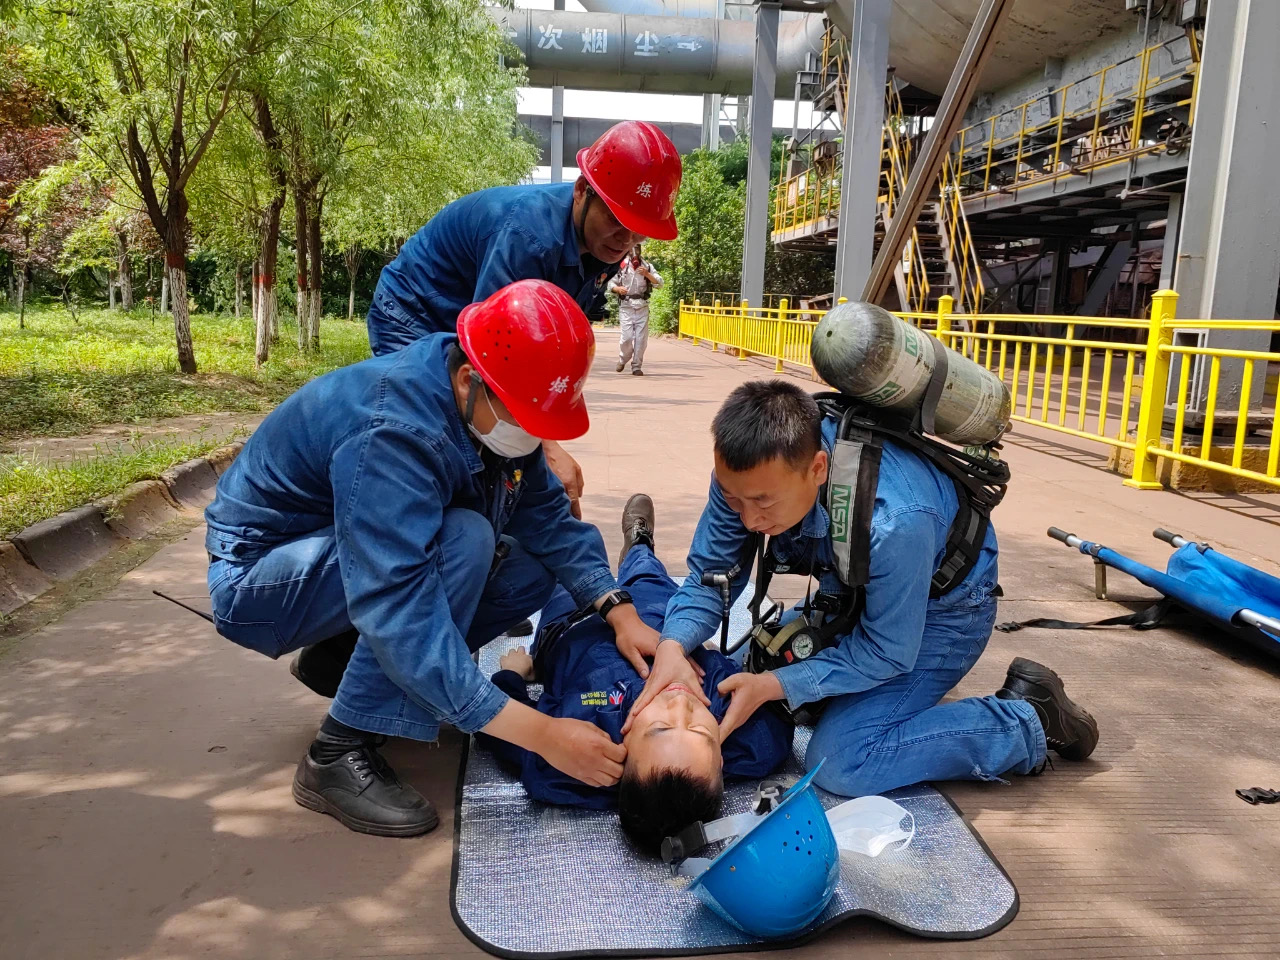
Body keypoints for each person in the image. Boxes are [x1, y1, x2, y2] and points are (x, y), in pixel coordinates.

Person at [204, 280, 662, 838]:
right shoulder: (392, 432)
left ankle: (343, 659)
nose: (531, 439)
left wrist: (618, 609)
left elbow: (546, 518)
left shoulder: (484, 396)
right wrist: (538, 732)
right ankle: (336, 751)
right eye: (525, 422)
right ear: (471, 381)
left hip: (339, 555)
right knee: (464, 541)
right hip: (259, 577)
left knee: (529, 568)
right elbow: (396, 601)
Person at [625, 379, 1100, 800]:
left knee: (842, 759)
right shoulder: (747, 474)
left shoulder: (895, 523)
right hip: (851, 593)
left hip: (944, 616)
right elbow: (711, 577)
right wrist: (672, 645)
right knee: (758, 670)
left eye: (762, 504)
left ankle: (1026, 721)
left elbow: (888, 650)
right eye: (734, 500)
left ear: (816, 468)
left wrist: (775, 685)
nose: (748, 519)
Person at [365, 121, 682, 517]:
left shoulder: (602, 249)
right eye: (617, 221)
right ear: (582, 191)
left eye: (638, 234)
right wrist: (549, 452)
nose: (624, 241)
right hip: (416, 310)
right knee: (437, 434)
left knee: (502, 450)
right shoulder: (528, 239)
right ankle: (416, 539)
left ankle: (497, 533)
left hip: (475, 316)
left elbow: (548, 355)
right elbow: (498, 362)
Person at [481, 494, 792, 855]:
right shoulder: (746, 736)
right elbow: (774, 730)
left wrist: (513, 677)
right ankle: (639, 544)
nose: (680, 706)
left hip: (572, 624)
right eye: (700, 731)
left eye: (661, 727)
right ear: (721, 758)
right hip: (664, 619)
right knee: (647, 573)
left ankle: (560, 519)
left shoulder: (576, 754)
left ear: (620, 756)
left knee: (563, 574)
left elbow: (505, 736)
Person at [609, 244, 663, 376]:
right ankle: (623, 359)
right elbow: (611, 283)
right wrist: (617, 289)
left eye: (637, 249)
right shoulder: (621, 266)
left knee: (641, 339)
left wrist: (647, 274)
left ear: (640, 250)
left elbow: (660, 283)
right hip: (626, 306)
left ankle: (636, 366)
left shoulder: (647, 266)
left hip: (642, 306)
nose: (634, 252)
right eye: (632, 249)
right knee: (626, 338)